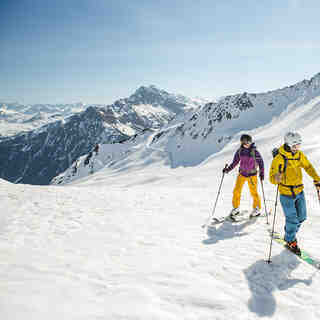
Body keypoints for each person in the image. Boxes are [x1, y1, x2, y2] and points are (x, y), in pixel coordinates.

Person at [269, 131, 320, 255]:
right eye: (295, 146)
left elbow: (308, 167)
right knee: (292, 220)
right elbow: (271, 178)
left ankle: (289, 233)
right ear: (289, 144)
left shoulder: (299, 155)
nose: (297, 148)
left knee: (302, 217)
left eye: (298, 145)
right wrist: (277, 177)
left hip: (299, 191)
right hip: (286, 194)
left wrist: (317, 179)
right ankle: (290, 240)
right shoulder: (279, 159)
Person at [223, 134, 264, 218]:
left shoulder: (254, 152)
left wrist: (262, 173)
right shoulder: (240, 151)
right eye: (244, 142)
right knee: (236, 191)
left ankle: (256, 208)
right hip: (242, 174)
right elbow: (235, 162)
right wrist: (228, 169)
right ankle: (236, 208)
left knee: (254, 192)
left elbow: (261, 162)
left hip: (252, 175)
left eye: (248, 142)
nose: (246, 144)